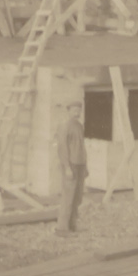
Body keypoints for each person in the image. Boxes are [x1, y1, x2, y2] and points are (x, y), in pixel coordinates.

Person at [55, 97, 88, 235]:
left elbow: (81, 147)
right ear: (68, 111)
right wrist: (67, 167)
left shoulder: (79, 126)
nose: (77, 113)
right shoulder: (65, 126)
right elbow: (62, 148)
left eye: (79, 110)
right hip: (71, 165)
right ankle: (62, 228)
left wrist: (85, 167)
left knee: (77, 197)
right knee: (68, 197)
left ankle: (73, 224)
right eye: (74, 110)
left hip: (80, 165)